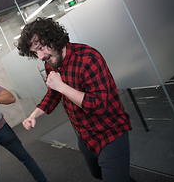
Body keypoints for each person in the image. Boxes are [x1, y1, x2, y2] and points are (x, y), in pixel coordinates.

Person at [16, 17, 136, 182]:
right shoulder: (51, 61)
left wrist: (62, 86)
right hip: (85, 135)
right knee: (98, 174)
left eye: (41, 47)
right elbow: (53, 93)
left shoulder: (88, 58)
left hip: (110, 132)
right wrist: (33, 115)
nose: (40, 56)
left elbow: (99, 105)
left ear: (54, 38)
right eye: (35, 52)